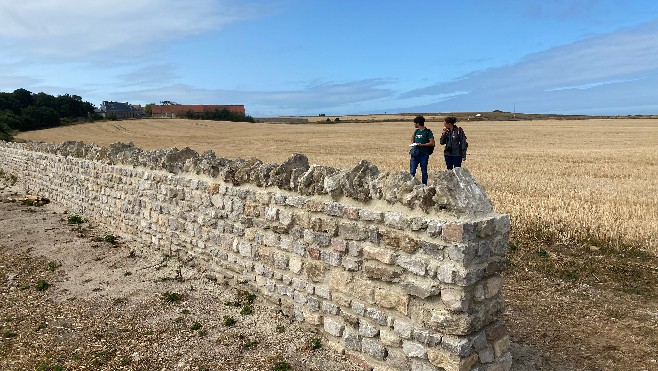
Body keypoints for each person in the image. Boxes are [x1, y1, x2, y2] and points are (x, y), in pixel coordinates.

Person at [409, 115, 435, 185]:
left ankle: (424, 185)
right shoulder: (416, 131)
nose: (414, 124)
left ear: (418, 123)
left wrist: (422, 145)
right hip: (415, 154)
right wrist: (413, 143)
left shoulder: (427, 132)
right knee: (412, 171)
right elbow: (412, 137)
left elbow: (432, 143)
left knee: (424, 171)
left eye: (414, 123)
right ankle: (411, 185)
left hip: (424, 154)